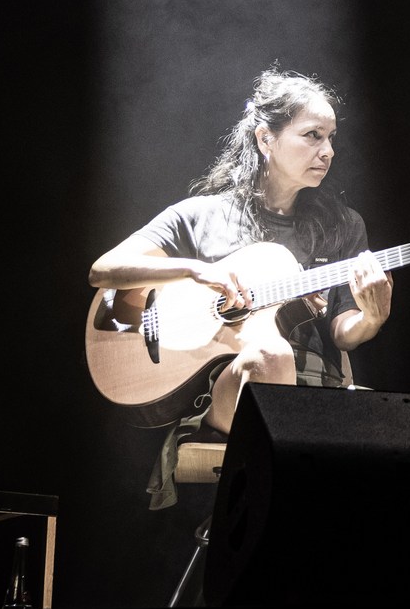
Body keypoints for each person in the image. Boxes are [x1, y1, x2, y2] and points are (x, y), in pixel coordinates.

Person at [88, 70, 393, 504]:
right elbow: (104, 270)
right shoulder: (202, 216)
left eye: (330, 138)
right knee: (269, 354)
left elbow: (344, 332)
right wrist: (193, 271)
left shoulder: (343, 226)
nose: (327, 151)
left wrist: (372, 317)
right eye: (312, 135)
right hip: (224, 389)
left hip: (320, 395)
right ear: (266, 139)